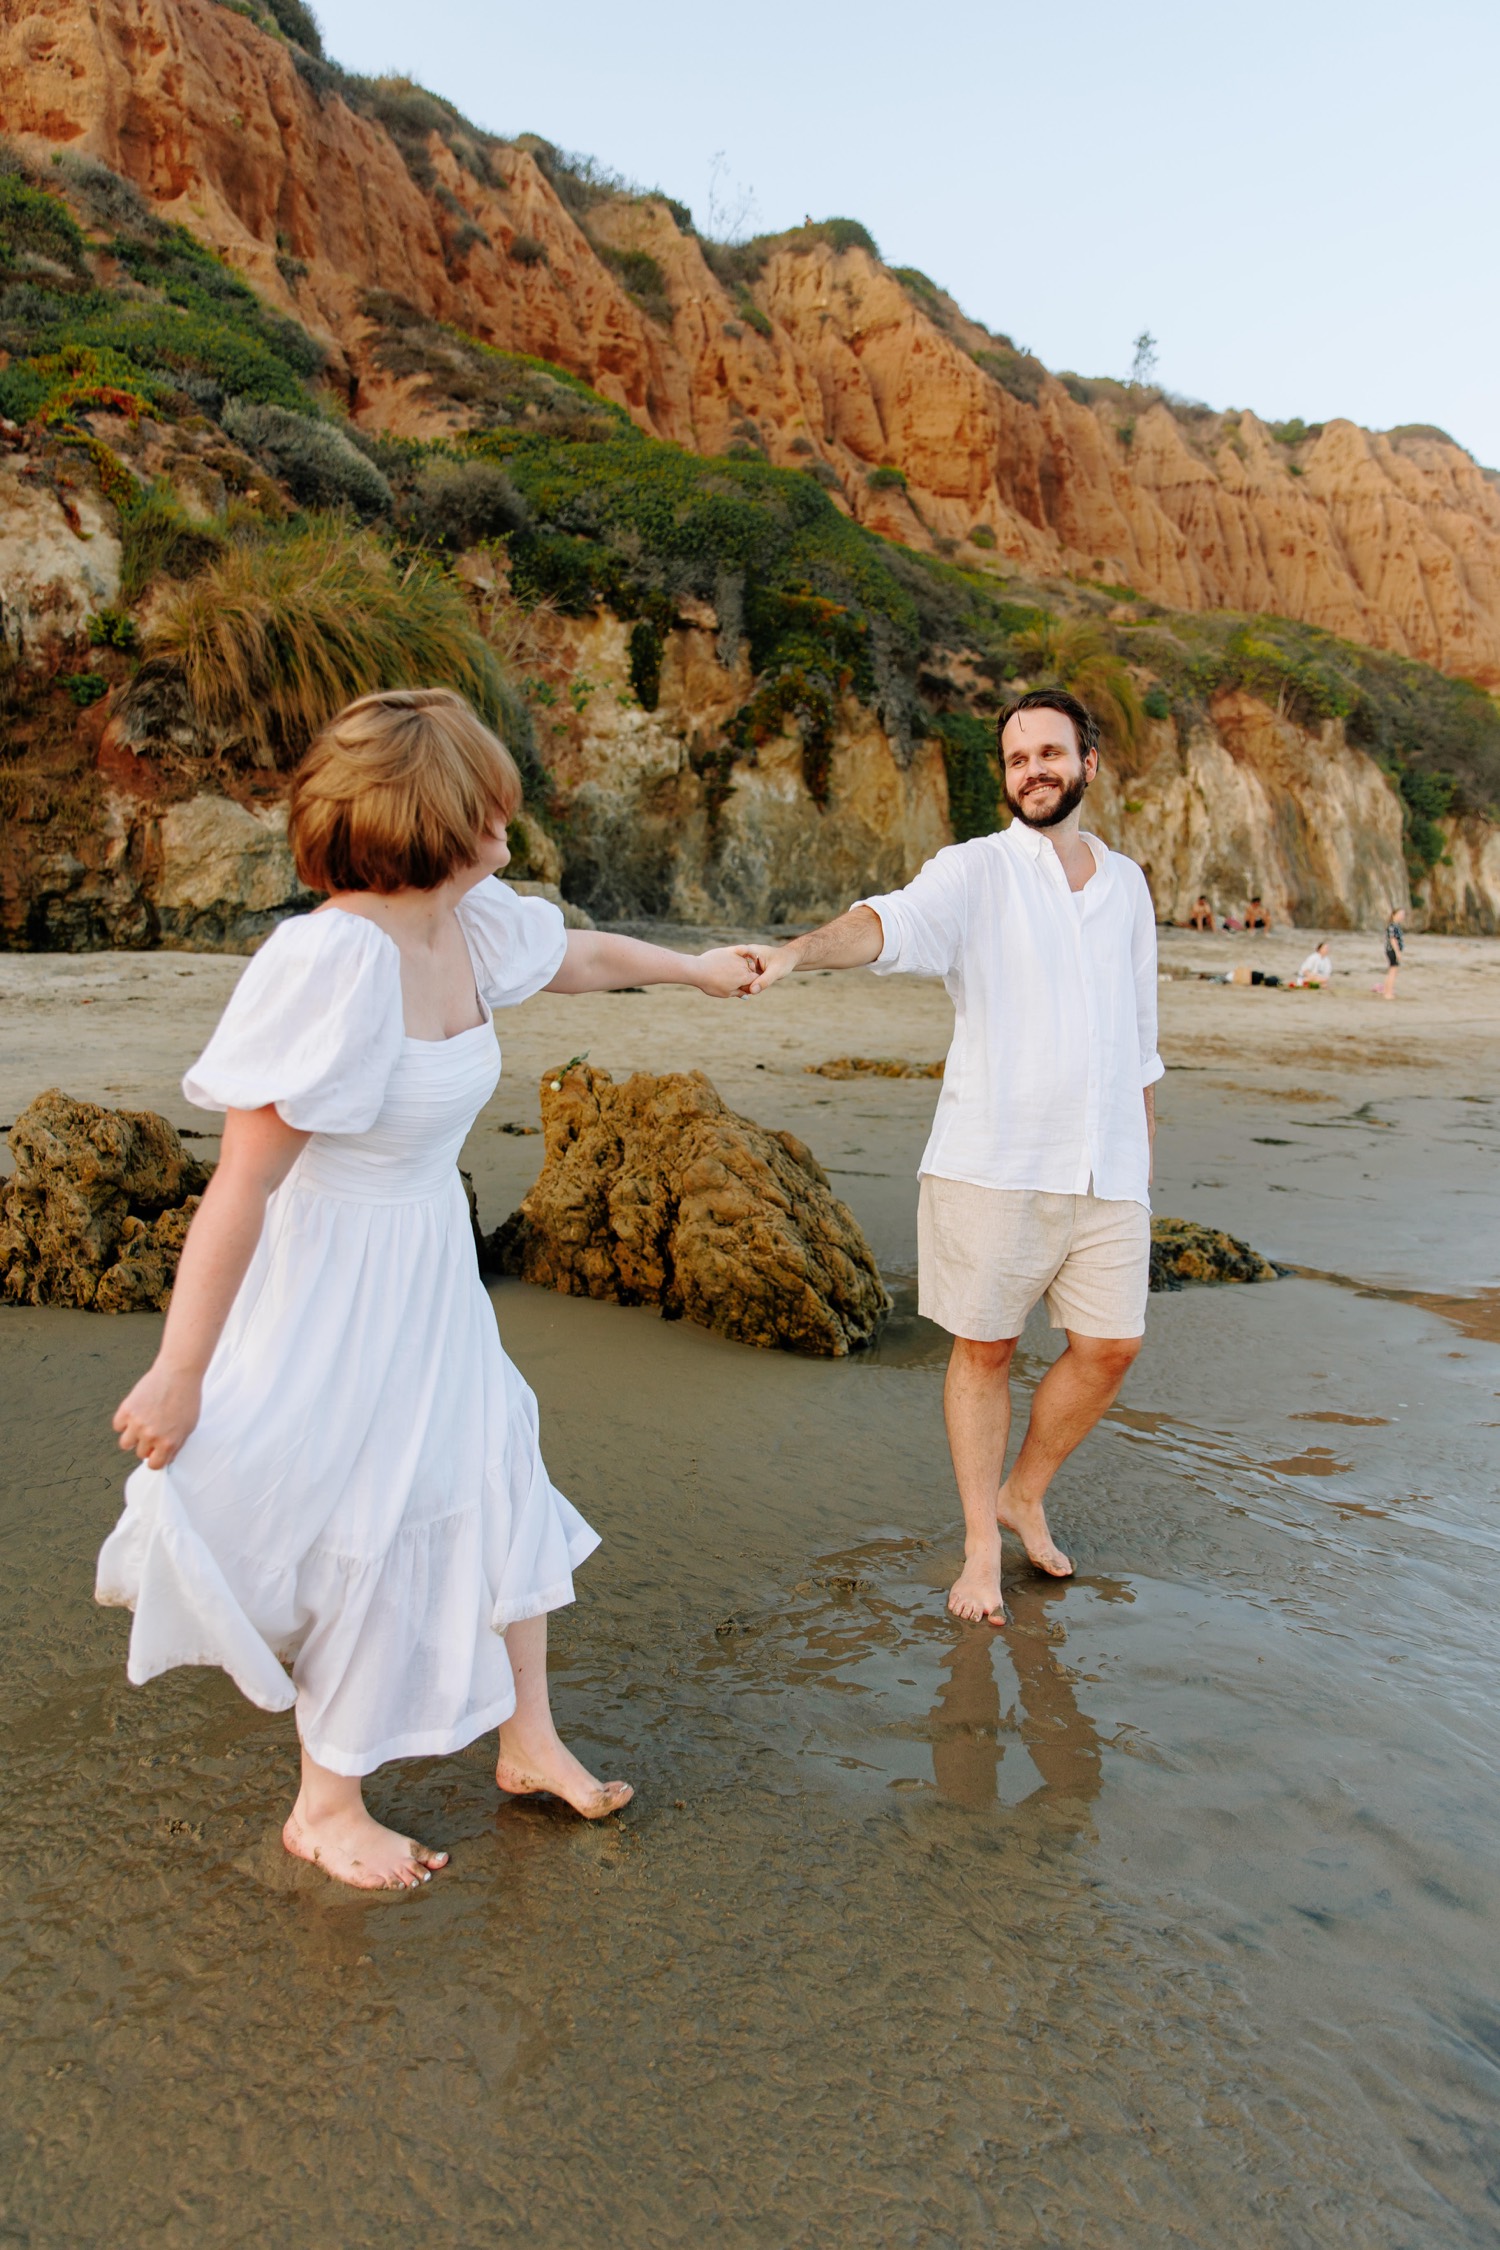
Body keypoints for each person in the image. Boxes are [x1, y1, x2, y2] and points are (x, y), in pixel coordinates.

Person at [101, 688, 764, 1892]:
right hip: (334, 1287)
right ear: (435, 818)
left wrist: (699, 973)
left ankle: (529, 1739)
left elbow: (579, 956)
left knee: (497, 1468)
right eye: (489, 802)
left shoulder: (468, 924)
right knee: (370, 1514)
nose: (510, 819)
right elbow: (240, 1188)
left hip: (427, 1266)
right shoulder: (335, 960)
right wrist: (180, 1369)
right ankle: (326, 1806)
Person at [747, 688, 1161, 1626]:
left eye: (1051, 754)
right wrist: (801, 952)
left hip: (1110, 1167)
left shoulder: (1128, 884)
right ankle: (982, 1542)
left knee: (1110, 1349)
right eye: (1018, 760)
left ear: (1088, 765)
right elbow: (884, 924)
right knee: (987, 1349)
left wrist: (1143, 1158)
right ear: (1007, 777)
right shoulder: (975, 872)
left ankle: (1027, 1492)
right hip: (995, 1159)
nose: (1035, 772)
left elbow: (1141, 1038)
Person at [1375, 906, 1405, 998]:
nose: (1402, 916)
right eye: (1400, 914)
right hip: (1392, 951)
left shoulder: (1396, 926)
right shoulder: (1392, 926)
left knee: (1391, 971)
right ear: (1393, 915)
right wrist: (1397, 952)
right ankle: (1388, 993)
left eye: (1403, 915)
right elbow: (1393, 940)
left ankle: (1386, 990)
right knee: (1393, 972)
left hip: (1392, 950)